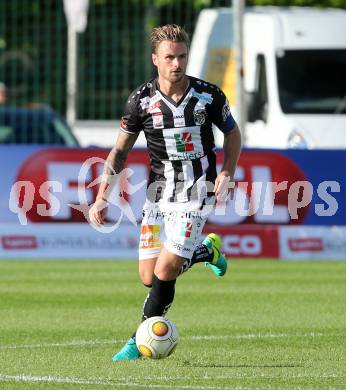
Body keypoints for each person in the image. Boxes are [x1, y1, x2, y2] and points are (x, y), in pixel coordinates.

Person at [89, 24, 241, 361]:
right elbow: (119, 153)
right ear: (155, 59)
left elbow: (233, 134)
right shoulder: (141, 101)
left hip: (197, 191)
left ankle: (135, 342)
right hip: (158, 194)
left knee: (165, 271)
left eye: (182, 56)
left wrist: (227, 171)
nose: (177, 63)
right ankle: (206, 253)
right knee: (148, 276)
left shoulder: (208, 96)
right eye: (169, 57)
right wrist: (102, 197)